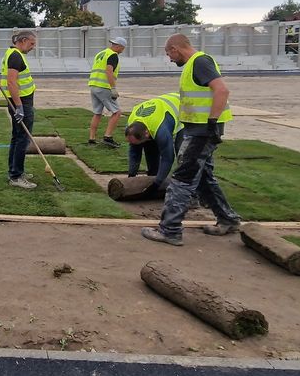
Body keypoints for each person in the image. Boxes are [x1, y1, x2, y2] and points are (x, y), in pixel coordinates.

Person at [142, 34, 242, 246]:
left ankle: (170, 230)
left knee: (182, 179)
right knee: (204, 176)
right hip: (199, 129)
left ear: (175, 48)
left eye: (169, 53)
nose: (169, 58)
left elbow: (222, 90)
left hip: (201, 132)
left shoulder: (199, 62)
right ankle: (228, 218)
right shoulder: (195, 64)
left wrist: (212, 122)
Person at [124, 92, 184, 196]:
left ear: (147, 133)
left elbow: (168, 158)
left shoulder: (161, 131)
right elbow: (134, 152)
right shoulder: (131, 124)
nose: (135, 145)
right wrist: (131, 177)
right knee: (150, 147)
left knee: (183, 153)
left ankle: (187, 188)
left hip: (183, 107)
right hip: (160, 108)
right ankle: (153, 175)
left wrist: (156, 184)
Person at [1, 31, 37, 189]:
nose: (33, 47)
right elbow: (11, 82)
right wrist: (19, 106)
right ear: (23, 41)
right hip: (21, 103)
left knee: (17, 138)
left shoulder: (14, 54)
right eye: (31, 43)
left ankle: (15, 171)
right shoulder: (15, 56)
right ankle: (16, 176)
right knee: (22, 139)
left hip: (21, 101)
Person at [87, 37, 127, 148]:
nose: (122, 50)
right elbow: (109, 71)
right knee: (117, 112)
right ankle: (108, 137)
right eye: (123, 48)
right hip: (103, 86)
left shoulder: (101, 53)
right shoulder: (113, 55)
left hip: (93, 85)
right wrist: (113, 88)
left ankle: (92, 138)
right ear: (119, 46)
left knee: (97, 113)